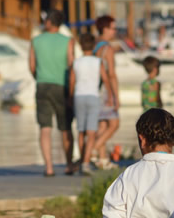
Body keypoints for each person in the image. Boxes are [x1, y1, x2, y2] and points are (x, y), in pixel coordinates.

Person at [30, 9, 76, 177]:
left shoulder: (35, 41)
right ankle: (69, 164)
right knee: (65, 128)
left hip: (42, 85)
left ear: (49, 22)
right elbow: (72, 66)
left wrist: (40, 77)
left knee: (45, 128)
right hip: (61, 86)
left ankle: (49, 167)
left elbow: (32, 66)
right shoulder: (68, 41)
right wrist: (71, 90)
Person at [70, 32, 113, 175]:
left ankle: (83, 159)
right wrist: (110, 96)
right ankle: (86, 163)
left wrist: (70, 98)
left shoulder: (76, 62)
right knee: (91, 132)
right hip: (93, 96)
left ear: (81, 46)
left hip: (79, 96)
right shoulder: (97, 61)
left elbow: (72, 82)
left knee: (81, 131)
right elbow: (106, 79)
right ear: (94, 46)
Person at [89, 15, 121, 170]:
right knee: (114, 124)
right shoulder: (108, 48)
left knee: (102, 125)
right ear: (105, 29)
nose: (115, 31)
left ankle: (103, 159)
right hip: (105, 90)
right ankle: (93, 149)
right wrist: (116, 96)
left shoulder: (95, 45)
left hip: (93, 89)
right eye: (113, 28)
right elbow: (112, 75)